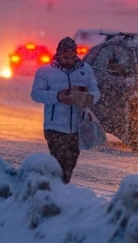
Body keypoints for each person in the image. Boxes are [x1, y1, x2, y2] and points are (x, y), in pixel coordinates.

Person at [31, 37, 100, 184]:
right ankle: (57, 191)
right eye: (65, 57)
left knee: (70, 164)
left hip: (77, 127)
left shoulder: (85, 70)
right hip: (54, 127)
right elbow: (36, 94)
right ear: (58, 54)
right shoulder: (45, 72)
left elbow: (95, 91)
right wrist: (57, 96)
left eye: (72, 57)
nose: (69, 60)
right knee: (58, 164)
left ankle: (59, 189)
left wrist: (86, 98)